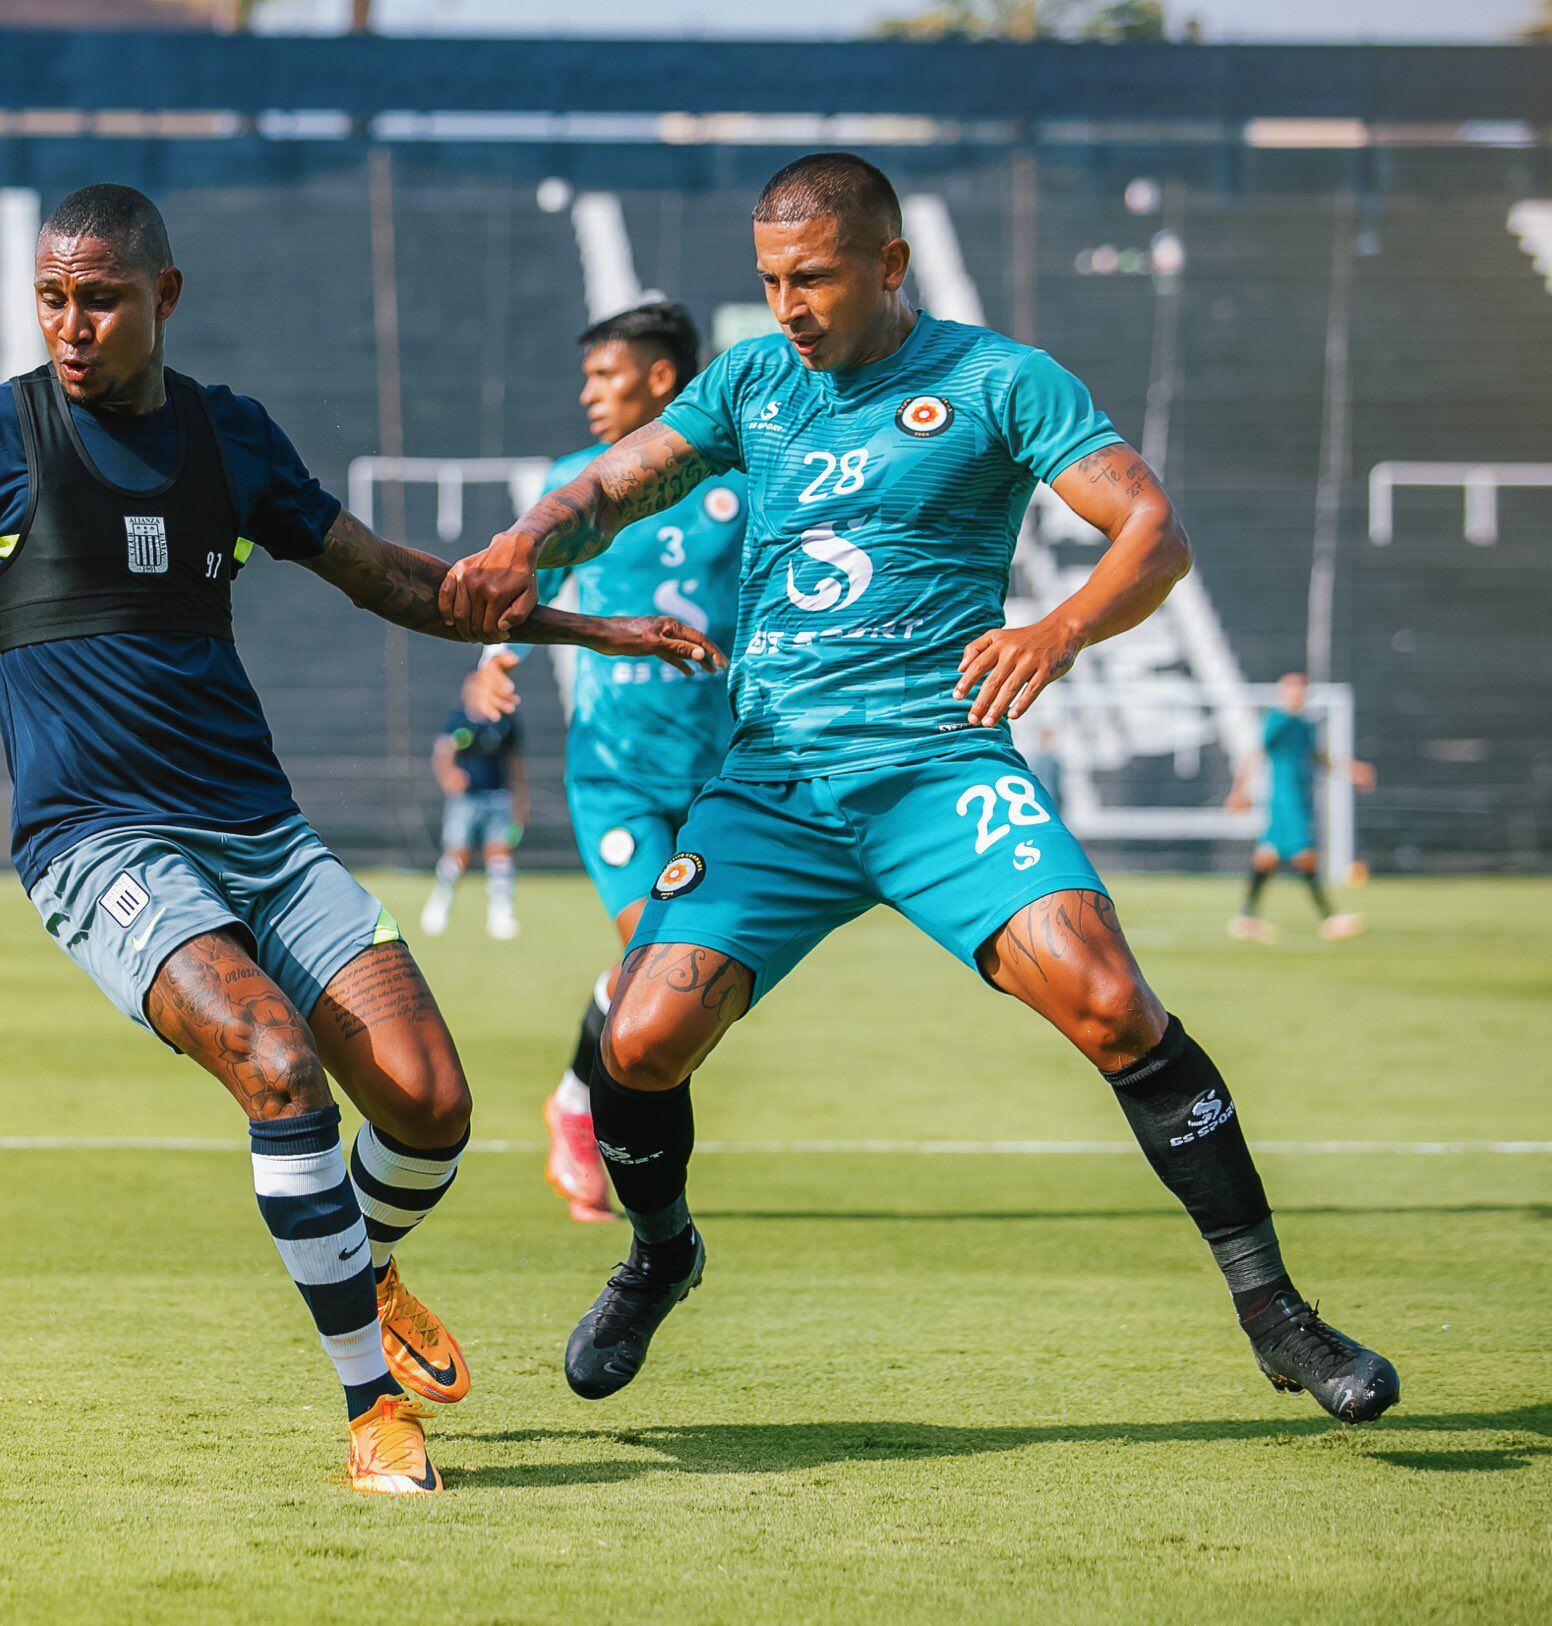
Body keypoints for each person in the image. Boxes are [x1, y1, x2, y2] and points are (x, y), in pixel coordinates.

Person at [0, 184, 722, 1495]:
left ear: (165, 298)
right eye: (53, 298)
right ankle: (372, 1408)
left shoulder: (229, 438)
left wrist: (582, 629)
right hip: (99, 844)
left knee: (431, 1105)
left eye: (102, 298)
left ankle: (365, 1257)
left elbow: (393, 581)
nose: (72, 326)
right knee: (275, 1061)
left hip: (261, 829)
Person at [440, 153, 1398, 1426]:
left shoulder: (999, 381)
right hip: (773, 782)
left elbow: (1151, 533)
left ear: (889, 266)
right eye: (769, 280)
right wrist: (523, 543)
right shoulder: (751, 382)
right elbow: (615, 482)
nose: (786, 306)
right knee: (637, 1038)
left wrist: (1052, 636)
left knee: (1110, 1002)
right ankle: (660, 1255)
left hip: (938, 770)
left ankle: (1276, 1315)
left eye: (813, 278)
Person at [462, 302, 745, 1223]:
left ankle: (577, 1099)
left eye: (604, 375)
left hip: (722, 779)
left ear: (662, 380)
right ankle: (587, 1119)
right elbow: (520, 588)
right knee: (651, 953)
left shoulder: (743, 483)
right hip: (615, 774)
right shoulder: (570, 483)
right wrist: (493, 664)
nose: (588, 394)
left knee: (687, 986)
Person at [1226, 672, 1375, 942]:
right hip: (1284, 800)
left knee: (1267, 857)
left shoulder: (1305, 725)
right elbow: (1255, 753)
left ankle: (1245, 918)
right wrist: (1240, 790)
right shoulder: (1277, 720)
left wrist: (1351, 770)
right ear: (1282, 693)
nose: (1297, 695)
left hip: (1300, 797)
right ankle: (1329, 917)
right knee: (1304, 854)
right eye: (1292, 690)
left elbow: (1319, 758)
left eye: (1301, 690)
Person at [422, 675, 529, 940]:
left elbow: (514, 761)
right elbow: (442, 753)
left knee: (500, 856)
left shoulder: (504, 721)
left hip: (498, 796)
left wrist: (520, 796)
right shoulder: (459, 720)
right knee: (457, 856)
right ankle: (441, 902)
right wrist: (449, 776)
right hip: (467, 800)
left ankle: (500, 913)